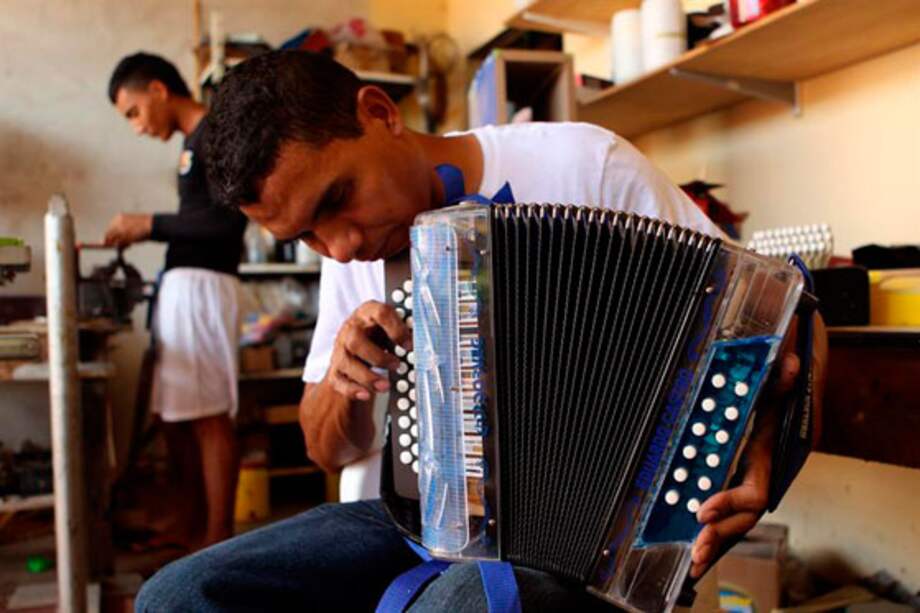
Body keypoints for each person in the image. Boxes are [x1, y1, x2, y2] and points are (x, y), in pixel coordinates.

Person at [135, 50, 826, 612]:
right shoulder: (353, 252)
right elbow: (326, 447)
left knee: (457, 606)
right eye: (307, 237)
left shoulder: (585, 163)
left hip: (601, 532)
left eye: (336, 200)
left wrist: (758, 445)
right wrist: (345, 384)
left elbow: (767, 313)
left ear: (379, 113)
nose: (339, 247)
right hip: (417, 524)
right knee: (175, 595)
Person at [104, 52, 247, 550]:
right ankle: (190, 523)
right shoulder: (193, 144)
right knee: (177, 418)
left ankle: (216, 535)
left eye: (134, 112)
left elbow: (228, 223)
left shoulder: (214, 134)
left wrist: (149, 224)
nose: (137, 127)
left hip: (207, 285)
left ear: (159, 90)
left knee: (209, 417)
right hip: (186, 285)